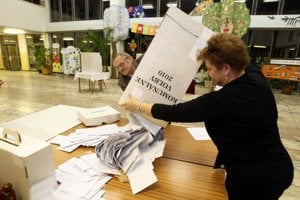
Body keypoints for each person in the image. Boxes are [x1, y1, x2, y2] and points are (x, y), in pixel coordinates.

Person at [122, 33, 294, 200]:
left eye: (210, 68)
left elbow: (176, 112)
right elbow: (242, 59)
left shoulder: (221, 101)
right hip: (279, 166)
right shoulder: (255, 77)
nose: (209, 73)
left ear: (226, 68)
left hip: (254, 181)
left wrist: (137, 106)